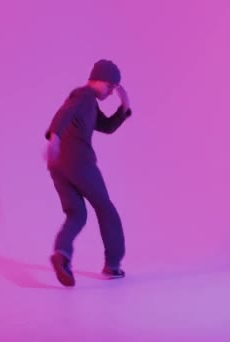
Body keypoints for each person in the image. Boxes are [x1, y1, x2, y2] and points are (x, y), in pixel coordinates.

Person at [44, 59, 132, 287]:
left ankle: (62, 255)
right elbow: (64, 113)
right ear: (97, 79)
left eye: (114, 88)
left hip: (58, 165)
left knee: (76, 214)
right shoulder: (83, 96)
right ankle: (113, 265)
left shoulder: (90, 104)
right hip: (79, 162)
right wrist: (54, 138)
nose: (111, 92)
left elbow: (107, 127)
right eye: (110, 86)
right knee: (106, 208)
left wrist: (124, 106)